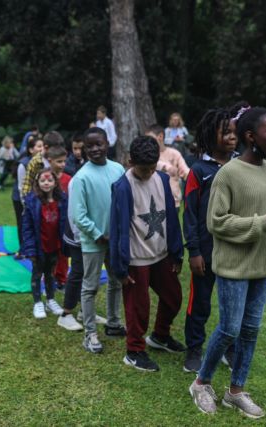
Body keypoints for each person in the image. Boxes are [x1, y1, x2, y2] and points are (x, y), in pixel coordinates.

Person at [188, 107, 266, 419]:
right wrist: (265, 221)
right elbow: (216, 223)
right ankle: (201, 383)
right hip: (234, 266)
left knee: (251, 329)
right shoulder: (229, 174)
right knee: (229, 329)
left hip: (264, 264)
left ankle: (235, 391)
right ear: (251, 137)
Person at [110, 135, 185, 372]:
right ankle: (134, 351)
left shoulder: (162, 179)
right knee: (138, 308)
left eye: (152, 168)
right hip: (136, 259)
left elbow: (171, 217)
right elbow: (117, 227)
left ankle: (160, 336)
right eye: (144, 169)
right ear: (130, 162)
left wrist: (177, 252)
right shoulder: (122, 186)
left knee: (173, 298)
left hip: (162, 255)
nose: (148, 173)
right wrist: (120, 268)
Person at [182, 107, 238, 374]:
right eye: (225, 132)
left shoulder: (242, 165)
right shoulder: (198, 170)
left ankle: (229, 348)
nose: (231, 137)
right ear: (210, 135)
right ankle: (194, 348)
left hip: (235, 251)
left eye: (234, 132)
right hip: (205, 251)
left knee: (232, 304)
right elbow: (190, 214)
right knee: (200, 303)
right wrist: (194, 251)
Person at [70, 127, 126, 354]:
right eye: (90, 145)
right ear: (84, 148)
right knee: (90, 286)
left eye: (99, 144)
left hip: (116, 240)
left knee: (116, 281)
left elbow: (123, 202)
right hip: (94, 242)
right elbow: (78, 215)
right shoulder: (81, 177)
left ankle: (113, 323)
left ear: (107, 144)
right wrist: (98, 234)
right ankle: (90, 332)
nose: (95, 149)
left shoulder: (118, 169)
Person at [22, 168, 66, 319]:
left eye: (49, 180)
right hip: (39, 247)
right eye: (42, 180)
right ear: (37, 183)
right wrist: (30, 250)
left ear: (55, 182)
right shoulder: (31, 202)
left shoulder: (61, 200)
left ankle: (51, 299)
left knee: (51, 274)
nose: (46, 183)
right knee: (37, 274)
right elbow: (27, 228)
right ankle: (37, 302)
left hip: (55, 246)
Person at [13, 137, 44, 259]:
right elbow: (21, 186)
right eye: (39, 146)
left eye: (43, 146)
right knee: (23, 223)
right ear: (31, 149)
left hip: (36, 197)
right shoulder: (23, 164)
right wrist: (25, 203)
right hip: (21, 198)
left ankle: (34, 248)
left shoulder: (42, 162)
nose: (42, 149)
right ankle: (22, 250)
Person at [146, 124, 190, 210]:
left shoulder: (174, 153)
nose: (147, 142)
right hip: (153, 203)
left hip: (174, 202)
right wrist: (166, 167)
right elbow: (154, 164)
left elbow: (185, 171)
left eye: (150, 138)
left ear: (160, 136)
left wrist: (193, 177)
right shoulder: (147, 154)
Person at [47, 146, 71, 289]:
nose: (62, 164)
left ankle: (62, 279)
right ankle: (49, 279)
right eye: (59, 161)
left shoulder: (69, 179)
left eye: (64, 161)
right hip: (48, 223)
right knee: (49, 252)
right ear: (50, 161)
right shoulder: (44, 178)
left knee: (63, 252)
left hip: (64, 222)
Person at [21, 131, 65, 198]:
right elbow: (27, 186)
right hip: (39, 201)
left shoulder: (61, 159)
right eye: (55, 150)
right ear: (46, 147)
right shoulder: (35, 162)